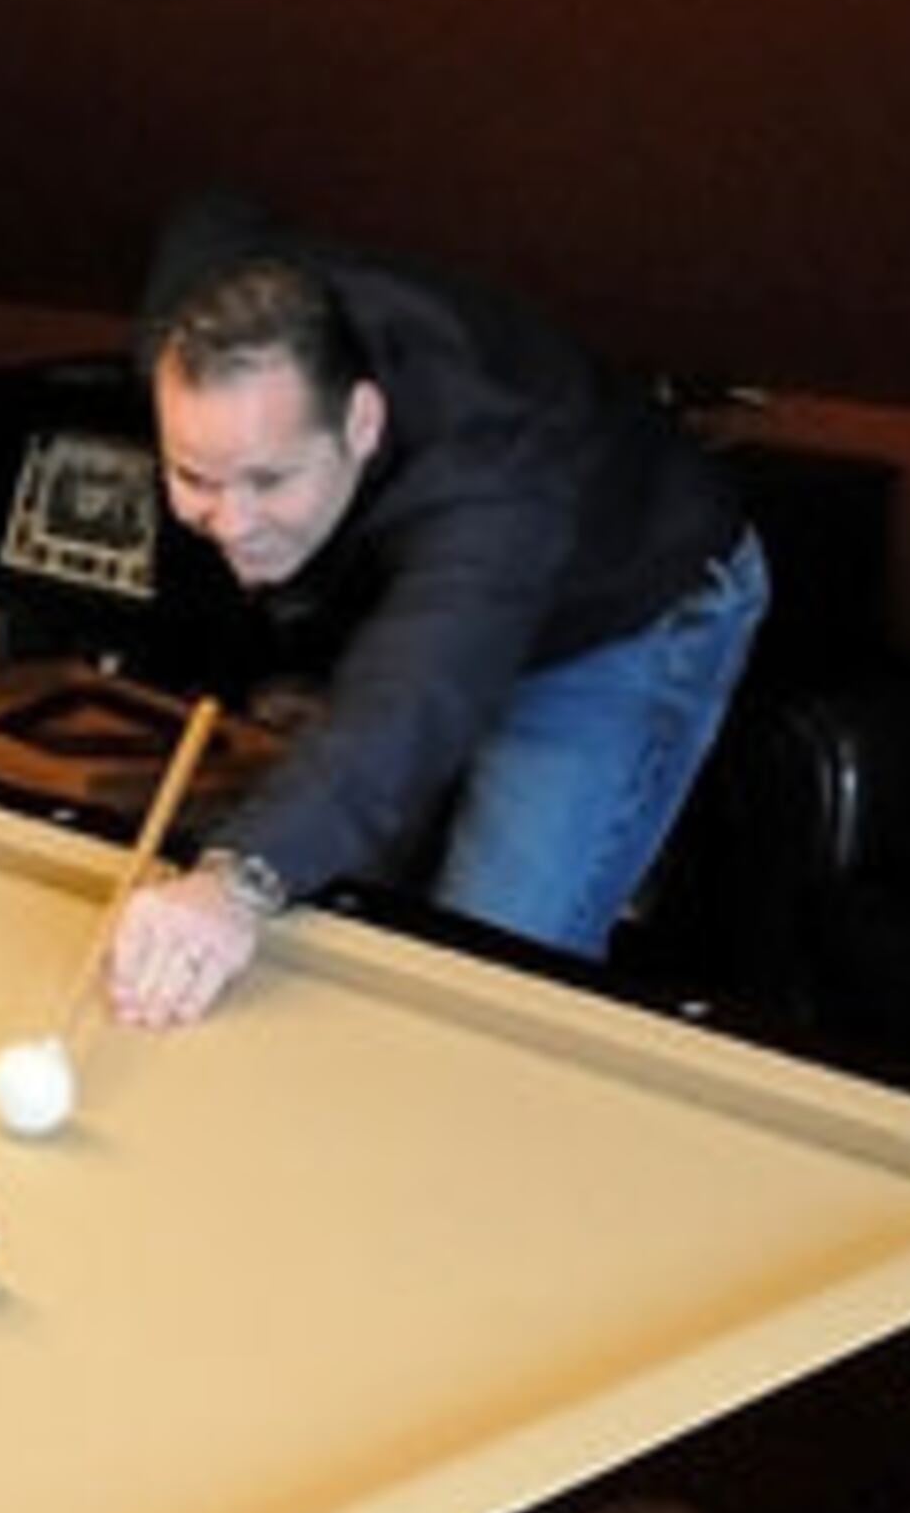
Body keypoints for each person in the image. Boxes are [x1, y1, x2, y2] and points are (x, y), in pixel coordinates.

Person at [107, 195, 770, 1029]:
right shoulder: (196, 330)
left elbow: (414, 696)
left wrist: (236, 879)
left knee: (486, 967)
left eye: (270, 480)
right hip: (430, 600)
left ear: (362, 421)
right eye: (196, 479)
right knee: (338, 897)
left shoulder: (493, 482)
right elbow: (209, 216)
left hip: (624, 608)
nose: (231, 524)